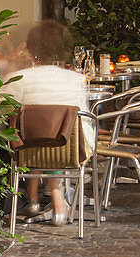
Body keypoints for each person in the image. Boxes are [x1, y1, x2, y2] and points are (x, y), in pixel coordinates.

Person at [6, 20, 93, 226]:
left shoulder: (17, 78)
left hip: (27, 151)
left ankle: (33, 197)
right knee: (55, 136)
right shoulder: (76, 79)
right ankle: (58, 203)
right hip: (72, 150)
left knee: (34, 134)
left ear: (30, 48)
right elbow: (83, 116)